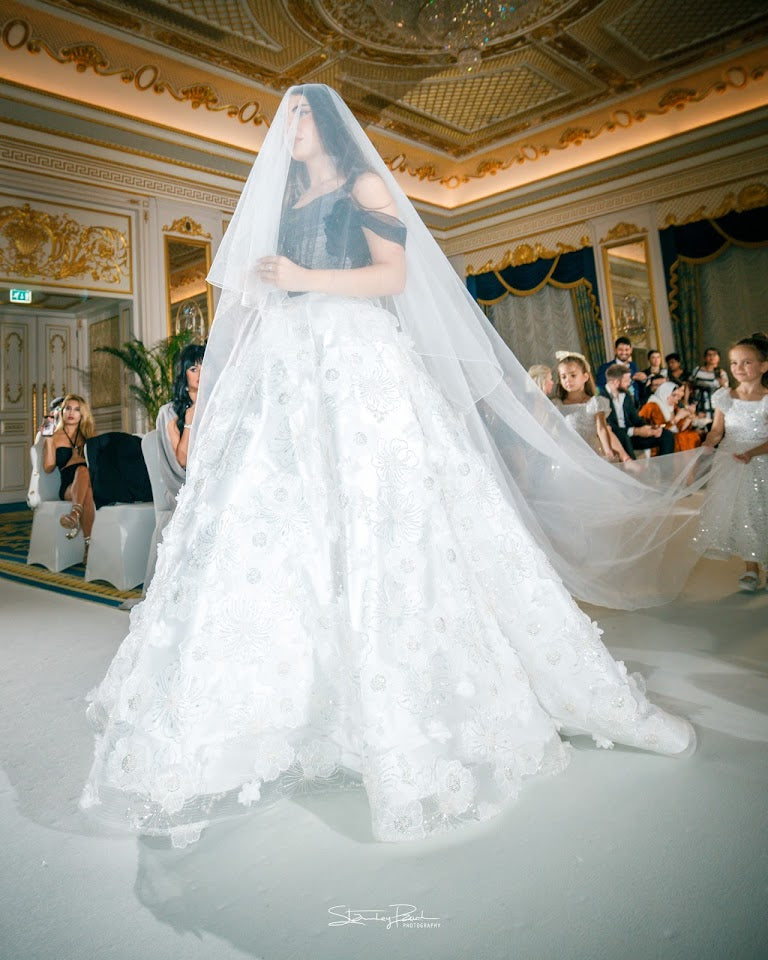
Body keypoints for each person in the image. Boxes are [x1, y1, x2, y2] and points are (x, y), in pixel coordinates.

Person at [81, 85, 697, 849]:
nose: (290, 126)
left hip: (357, 360)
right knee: (283, 534)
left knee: (388, 521)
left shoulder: (364, 184)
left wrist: (302, 280)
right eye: (287, 116)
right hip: (292, 372)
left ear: (329, 123)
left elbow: (391, 277)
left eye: (301, 114)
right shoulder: (279, 205)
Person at [698, 336, 768, 592]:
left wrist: (753, 452)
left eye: (746, 362)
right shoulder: (725, 397)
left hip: (761, 461)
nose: (739, 368)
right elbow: (718, 430)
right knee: (744, 514)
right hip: (732, 463)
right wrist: (709, 441)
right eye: (734, 362)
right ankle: (751, 569)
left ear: (763, 366)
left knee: (763, 512)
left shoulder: (766, 399)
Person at [41, 393, 96, 556]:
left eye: (77, 410)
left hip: (90, 482)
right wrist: (49, 438)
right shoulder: (54, 437)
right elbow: (48, 467)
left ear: (82, 414)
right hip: (68, 487)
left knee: (88, 485)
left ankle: (75, 517)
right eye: (68, 409)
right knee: (83, 473)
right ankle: (88, 546)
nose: (71, 413)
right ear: (61, 412)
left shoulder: (89, 435)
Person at [155, 342, 206, 508]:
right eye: (193, 369)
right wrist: (189, 423)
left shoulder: (217, 406)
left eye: (205, 367)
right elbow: (182, 462)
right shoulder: (169, 412)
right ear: (184, 375)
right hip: (187, 486)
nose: (201, 373)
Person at [552, 353, 629, 462]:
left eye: (573, 375)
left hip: (592, 454)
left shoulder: (595, 402)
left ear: (585, 377)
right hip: (568, 456)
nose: (568, 380)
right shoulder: (557, 405)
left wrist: (608, 450)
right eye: (563, 376)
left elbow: (602, 428)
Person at [602, 365, 675, 459]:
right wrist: (635, 431)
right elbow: (611, 427)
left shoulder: (625, 395)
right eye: (626, 380)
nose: (629, 383)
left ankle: (664, 471)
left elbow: (636, 419)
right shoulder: (601, 398)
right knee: (623, 436)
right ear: (616, 382)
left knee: (666, 435)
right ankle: (632, 469)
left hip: (631, 435)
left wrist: (650, 428)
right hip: (617, 438)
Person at [638, 382, 702, 452]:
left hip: (671, 436)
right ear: (665, 394)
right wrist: (676, 418)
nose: (676, 399)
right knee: (685, 438)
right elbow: (659, 428)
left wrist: (689, 417)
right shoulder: (652, 406)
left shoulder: (673, 406)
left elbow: (679, 428)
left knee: (693, 435)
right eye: (674, 395)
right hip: (656, 439)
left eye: (677, 396)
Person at [690, 347, 729, 416]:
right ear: (705, 358)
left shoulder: (721, 373)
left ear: (718, 358)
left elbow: (725, 391)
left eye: (714, 355)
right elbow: (689, 385)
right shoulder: (697, 370)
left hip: (713, 405)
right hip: (697, 403)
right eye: (709, 355)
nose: (711, 357)